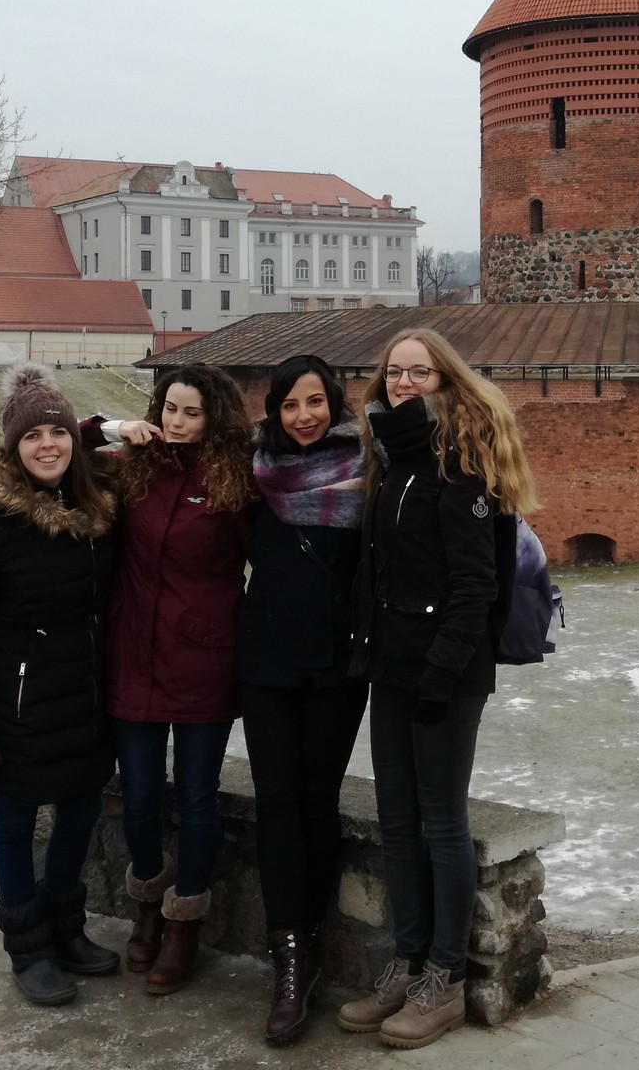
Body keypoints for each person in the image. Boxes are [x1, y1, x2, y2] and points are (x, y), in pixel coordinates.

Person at [337, 328, 540, 1049]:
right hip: (392, 668)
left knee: (441, 823)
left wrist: (440, 673)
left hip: (445, 676)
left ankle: (445, 980)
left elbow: (474, 587)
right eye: (396, 372)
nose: (405, 382)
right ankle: (409, 958)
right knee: (396, 821)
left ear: (446, 379)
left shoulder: (460, 464)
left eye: (420, 372)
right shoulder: (393, 457)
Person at [0, 364, 121, 1007]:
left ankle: (67, 930)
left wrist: (110, 429)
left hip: (87, 701)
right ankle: (29, 947)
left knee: (80, 814)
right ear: (13, 447)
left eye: (59, 432)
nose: (49, 445)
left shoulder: (92, 515)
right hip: (15, 708)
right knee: (14, 823)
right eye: (34, 434)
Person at [96, 365, 255, 996]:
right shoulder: (134, 467)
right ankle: (145, 904)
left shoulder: (234, 479)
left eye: (189, 411)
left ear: (213, 416)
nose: (175, 421)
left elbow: (268, 556)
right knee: (137, 794)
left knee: (195, 798)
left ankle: (184, 923)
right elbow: (50, 445)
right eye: (167, 408)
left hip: (203, 659)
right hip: (133, 653)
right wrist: (113, 427)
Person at [237, 355, 370, 1045]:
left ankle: (309, 942)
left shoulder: (365, 470)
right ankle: (289, 956)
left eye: (316, 402)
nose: (305, 416)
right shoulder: (252, 472)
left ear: (335, 404)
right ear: (274, 412)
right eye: (291, 405)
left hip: (338, 666)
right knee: (277, 803)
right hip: (265, 664)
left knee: (318, 805)